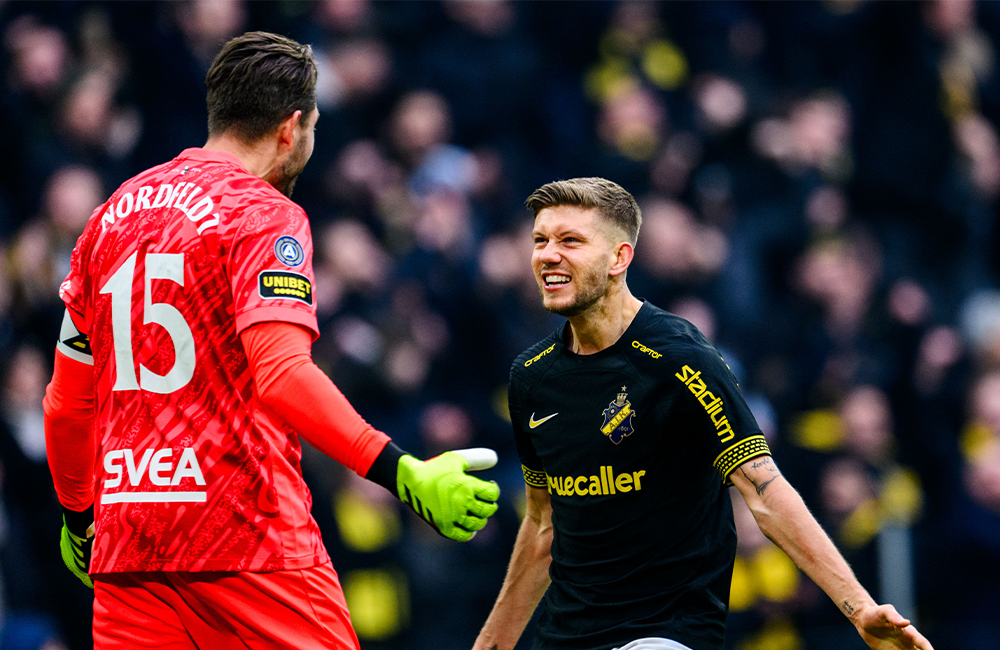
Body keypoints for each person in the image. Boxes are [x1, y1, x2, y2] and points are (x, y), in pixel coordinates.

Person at [42, 31, 500, 650]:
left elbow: (67, 404)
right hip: (244, 533)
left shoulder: (110, 217)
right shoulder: (264, 214)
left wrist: (78, 517)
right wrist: (402, 472)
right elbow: (281, 375)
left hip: (130, 543)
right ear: (292, 128)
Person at [472, 178, 933, 650]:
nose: (547, 255)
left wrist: (858, 608)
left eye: (570, 241)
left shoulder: (679, 357)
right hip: (565, 638)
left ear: (619, 258)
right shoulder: (530, 377)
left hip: (663, 635)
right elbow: (544, 524)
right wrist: (491, 644)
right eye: (540, 241)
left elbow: (764, 490)